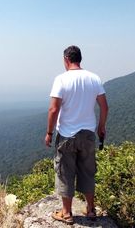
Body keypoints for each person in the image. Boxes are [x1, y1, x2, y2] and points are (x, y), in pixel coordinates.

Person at [45, 45, 108, 225]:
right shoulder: (94, 78)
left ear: (66, 59)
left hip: (66, 134)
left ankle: (66, 213)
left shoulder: (61, 79)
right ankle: (90, 210)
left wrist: (49, 132)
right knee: (88, 171)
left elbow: (53, 109)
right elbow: (104, 106)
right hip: (88, 134)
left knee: (65, 173)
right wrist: (101, 127)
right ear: (80, 58)